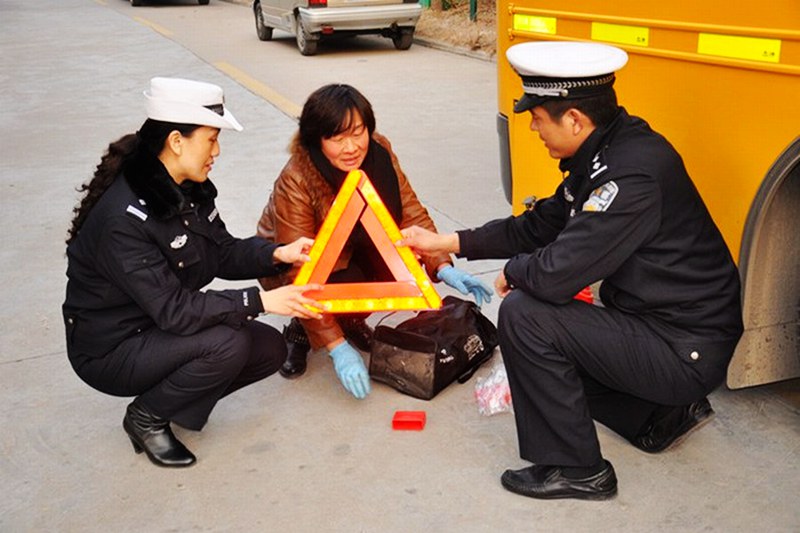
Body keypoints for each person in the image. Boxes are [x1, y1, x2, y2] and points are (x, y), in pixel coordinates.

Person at [399, 42, 744, 500]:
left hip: (684, 348)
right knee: (546, 361)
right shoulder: (611, 147)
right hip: (668, 328)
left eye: (538, 117)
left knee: (526, 316)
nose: (533, 128)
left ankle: (578, 468)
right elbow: (540, 224)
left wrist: (515, 272)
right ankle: (660, 416)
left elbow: (556, 274)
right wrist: (446, 243)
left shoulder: (630, 178)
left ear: (575, 120)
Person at [63, 77, 325, 468]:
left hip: (154, 323)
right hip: (111, 347)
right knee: (227, 344)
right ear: (176, 141)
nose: (217, 151)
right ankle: (146, 417)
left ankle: (173, 397)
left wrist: (278, 253)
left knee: (268, 349)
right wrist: (261, 300)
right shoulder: (124, 219)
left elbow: (222, 252)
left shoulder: (187, 188)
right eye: (211, 139)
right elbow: (175, 310)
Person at [257, 83, 492, 399]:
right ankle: (301, 330)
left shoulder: (380, 151)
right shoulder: (297, 177)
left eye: (358, 133)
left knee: (393, 267)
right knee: (336, 283)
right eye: (337, 138)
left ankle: (349, 318)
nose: (351, 147)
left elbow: (410, 211)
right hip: (295, 264)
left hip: (358, 245)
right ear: (316, 139)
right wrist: (337, 347)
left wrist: (441, 264)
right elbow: (297, 271)